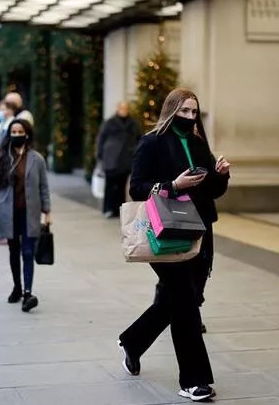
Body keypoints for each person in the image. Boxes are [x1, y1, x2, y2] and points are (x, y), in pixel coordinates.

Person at [117, 88, 230, 402]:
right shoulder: (151, 142)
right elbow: (137, 187)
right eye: (184, 112)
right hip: (165, 231)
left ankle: (132, 341)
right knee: (184, 304)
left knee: (179, 299)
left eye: (194, 112)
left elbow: (212, 191)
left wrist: (222, 175)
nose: (190, 118)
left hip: (200, 230)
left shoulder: (197, 143)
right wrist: (172, 186)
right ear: (171, 111)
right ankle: (194, 380)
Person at [0, 119, 51, 313]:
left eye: (21, 131)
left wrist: (47, 212)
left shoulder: (37, 159)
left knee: (28, 252)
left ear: (27, 134)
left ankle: (28, 292)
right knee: (13, 252)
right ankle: (17, 287)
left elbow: (44, 187)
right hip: (7, 213)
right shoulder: (2, 157)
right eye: (14, 131)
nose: (17, 134)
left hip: (30, 213)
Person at [96, 101, 141, 218]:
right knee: (110, 185)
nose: (124, 110)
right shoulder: (110, 123)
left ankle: (119, 209)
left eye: (126, 108)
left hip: (125, 160)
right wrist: (100, 155)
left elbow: (138, 139)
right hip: (111, 159)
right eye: (122, 108)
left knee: (122, 186)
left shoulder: (133, 123)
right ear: (118, 109)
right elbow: (101, 139)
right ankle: (108, 208)